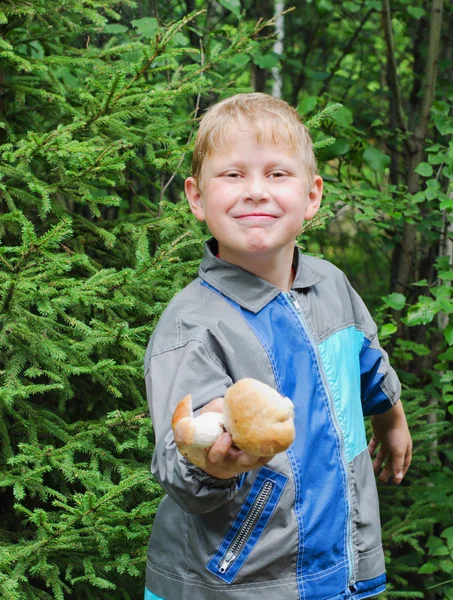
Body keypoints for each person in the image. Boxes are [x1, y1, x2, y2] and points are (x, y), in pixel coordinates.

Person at [143, 92, 412, 600]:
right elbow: (182, 456)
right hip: (240, 583)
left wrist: (391, 419)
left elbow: (367, 361)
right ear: (197, 198)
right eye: (233, 175)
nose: (255, 192)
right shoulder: (193, 326)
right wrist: (209, 463)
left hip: (347, 567)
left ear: (312, 197)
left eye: (276, 174)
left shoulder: (331, 284)